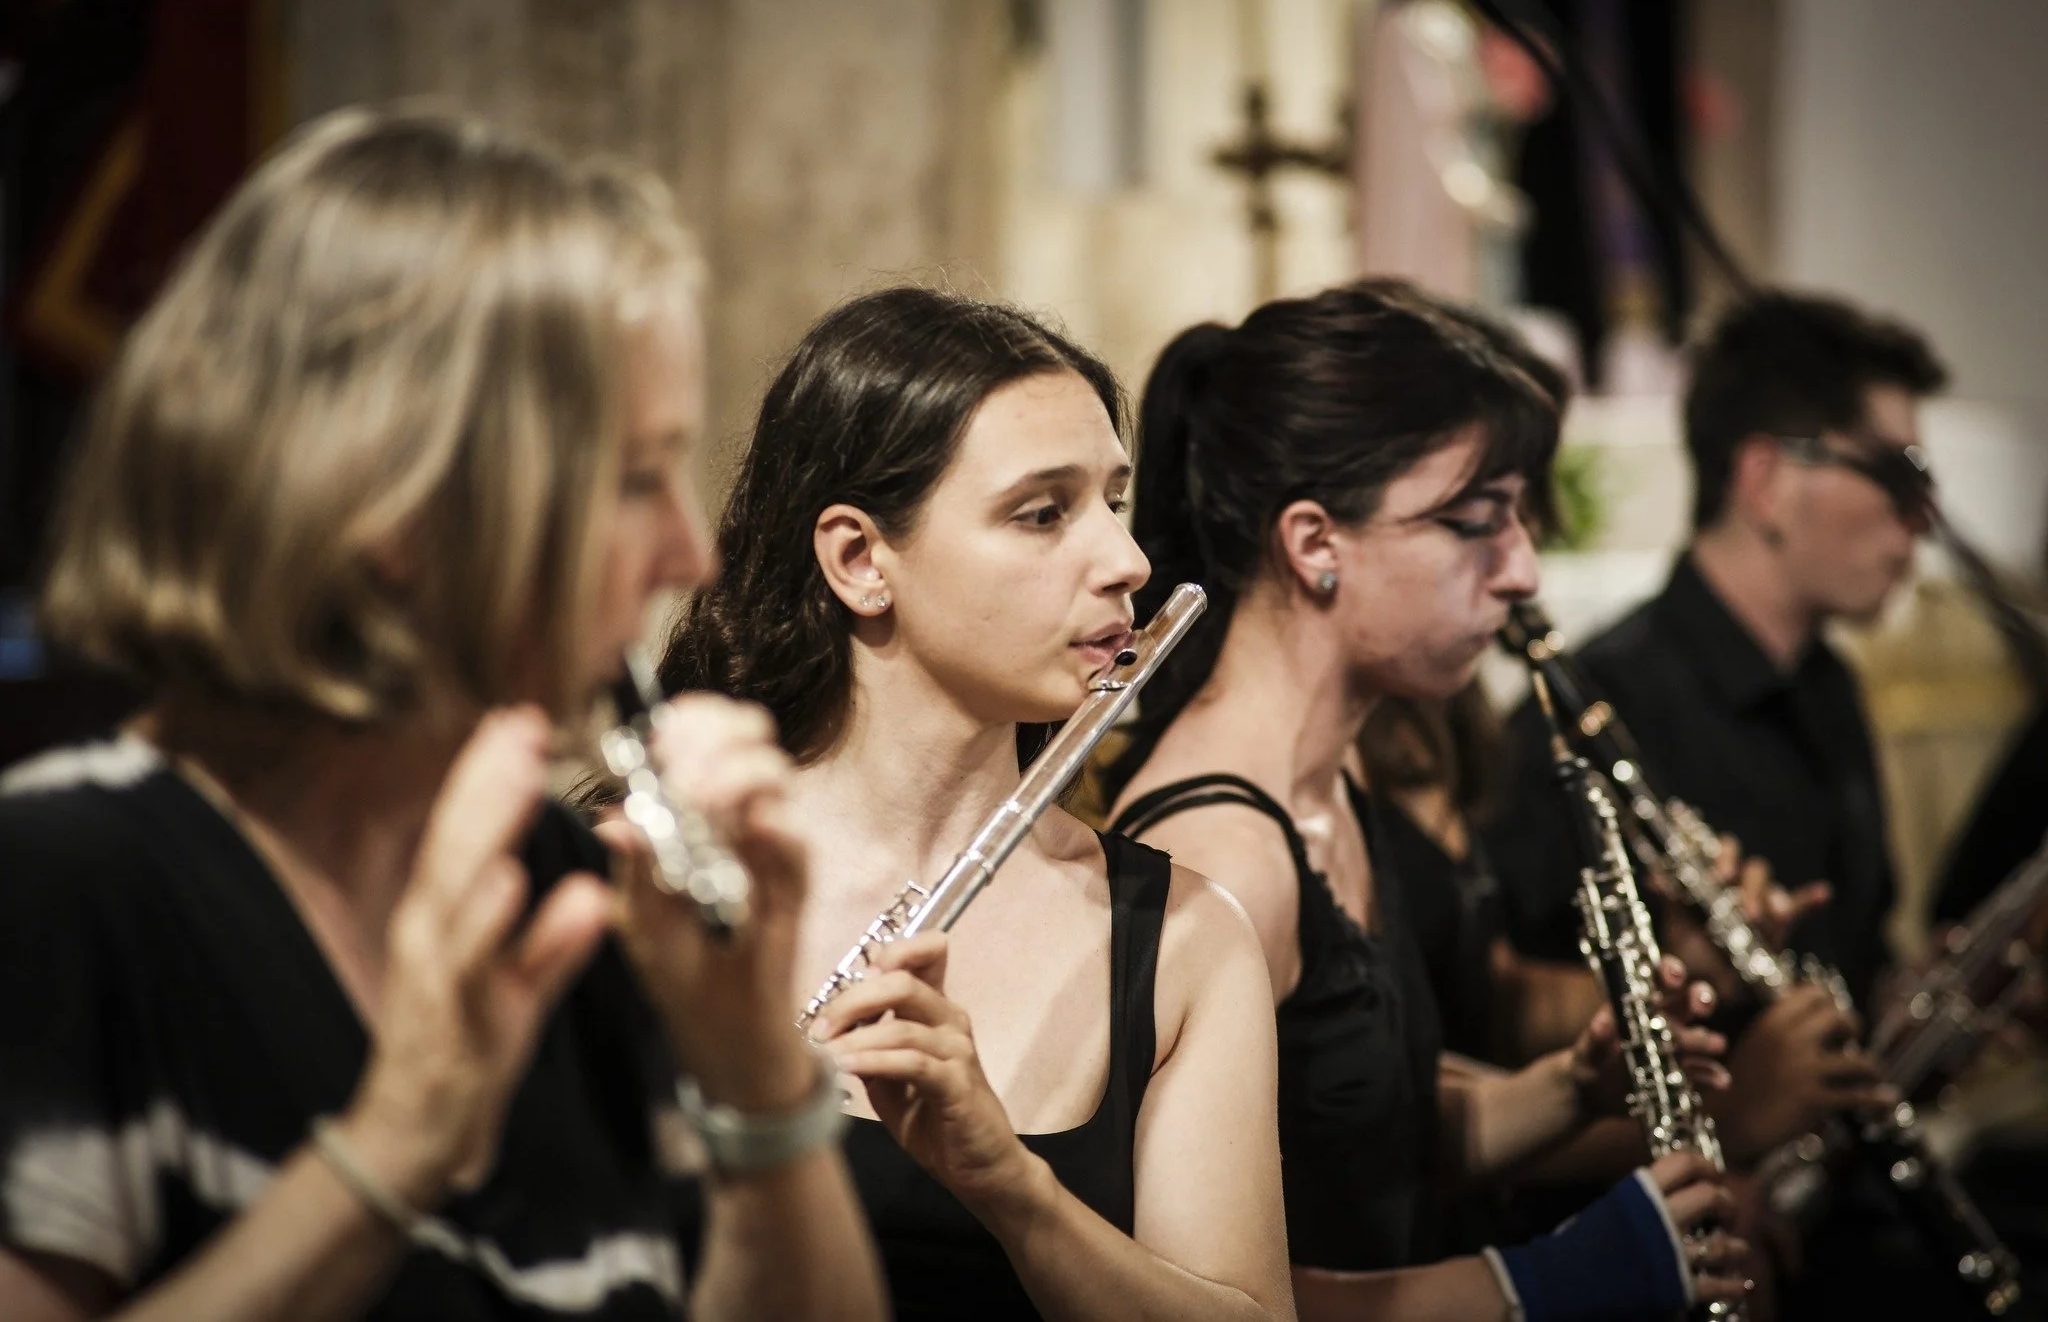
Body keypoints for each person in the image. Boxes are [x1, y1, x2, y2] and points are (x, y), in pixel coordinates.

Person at [0, 107, 885, 1322]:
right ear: (397, 504)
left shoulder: (561, 877)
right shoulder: (63, 883)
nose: (692, 554)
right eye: (633, 479)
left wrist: (757, 1075)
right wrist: (395, 1148)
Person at [1102, 277, 1749, 1322]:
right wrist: (1535, 1282)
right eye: (1475, 523)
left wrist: (1563, 1092)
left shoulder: (1331, 783)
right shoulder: (1215, 854)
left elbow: (1358, 1135)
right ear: (1314, 544)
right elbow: (1185, 1297)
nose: (1520, 572)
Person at [657, 287, 1295, 1322]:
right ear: (860, 561)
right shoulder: (647, 888)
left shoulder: (1185, 939)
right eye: (1042, 513)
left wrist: (1011, 1187)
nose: (1127, 563)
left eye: (1114, 503)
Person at [1482, 288, 1965, 1318]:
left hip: (1827, 1208)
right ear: (1762, 480)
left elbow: (1851, 969)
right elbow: (1490, 1036)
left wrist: (1943, 1016)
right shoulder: (1588, 712)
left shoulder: (1829, 691)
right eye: (1893, 475)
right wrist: (1723, 1120)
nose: (1919, 518)